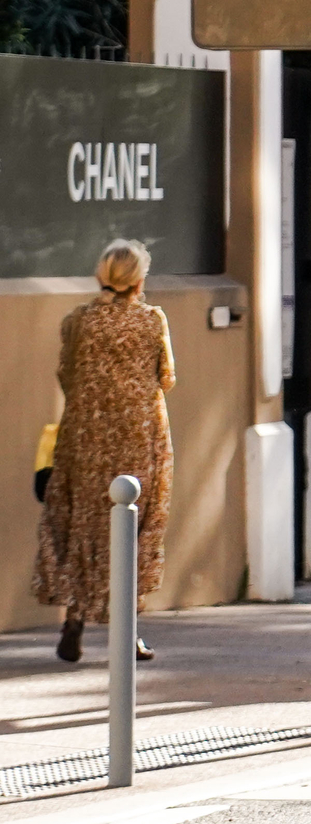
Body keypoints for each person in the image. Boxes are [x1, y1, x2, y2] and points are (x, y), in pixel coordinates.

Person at [34, 240, 173, 664]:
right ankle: (127, 631)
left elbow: (66, 374)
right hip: (137, 436)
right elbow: (166, 377)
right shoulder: (152, 321)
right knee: (132, 525)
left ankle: (73, 619)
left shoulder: (79, 321)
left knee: (82, 523)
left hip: (85, 437)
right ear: (138, 280)